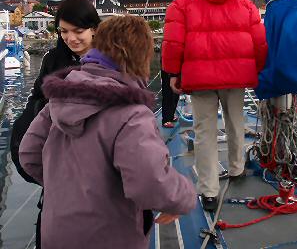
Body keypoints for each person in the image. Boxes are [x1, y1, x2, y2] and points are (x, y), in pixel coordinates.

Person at [19, 16, 196, 249]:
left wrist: (67, 188)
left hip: (56, 234)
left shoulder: (58, 100)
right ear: (140, 57)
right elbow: (149, 180)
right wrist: (184, 198)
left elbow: (29, 153)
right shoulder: (131, 115)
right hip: (112, 236)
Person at [162, 0, 268, 211]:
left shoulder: (180, 4)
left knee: (204, 132)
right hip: (237, 76)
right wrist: (257, 69)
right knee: (235, 122)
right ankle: (237, 169)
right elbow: (260, 42)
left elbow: (173, 43)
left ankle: (209, 191)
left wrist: (173, 74)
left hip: (200, 79)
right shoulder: (245, 4)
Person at [10, 0, 100, 248]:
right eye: (64, 31)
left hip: (97, 168)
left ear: (94, 28)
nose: (71, 38)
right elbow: (37, 97)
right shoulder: (53, 60)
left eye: (78, 31)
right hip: (59, 164)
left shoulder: (114, 61)